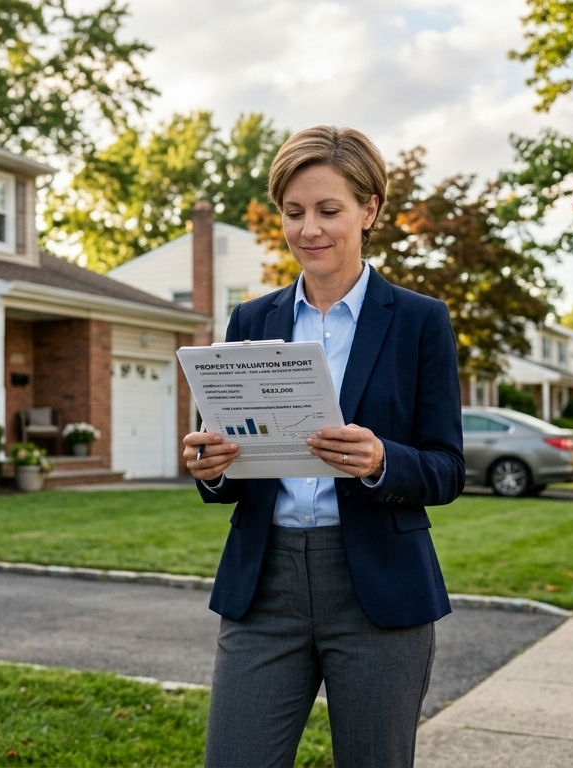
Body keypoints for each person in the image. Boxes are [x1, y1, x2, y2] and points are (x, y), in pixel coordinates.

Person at [183, 125, 464, 768]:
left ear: (368, 211)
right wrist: (211, 467)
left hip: (377, 591)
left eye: (329, 211)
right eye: (294, 212)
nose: (309, 229)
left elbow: (447, 468)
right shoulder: (251, 321)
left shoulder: (421, 321)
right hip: (265, 586)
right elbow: (224, 456)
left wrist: (382, 461)